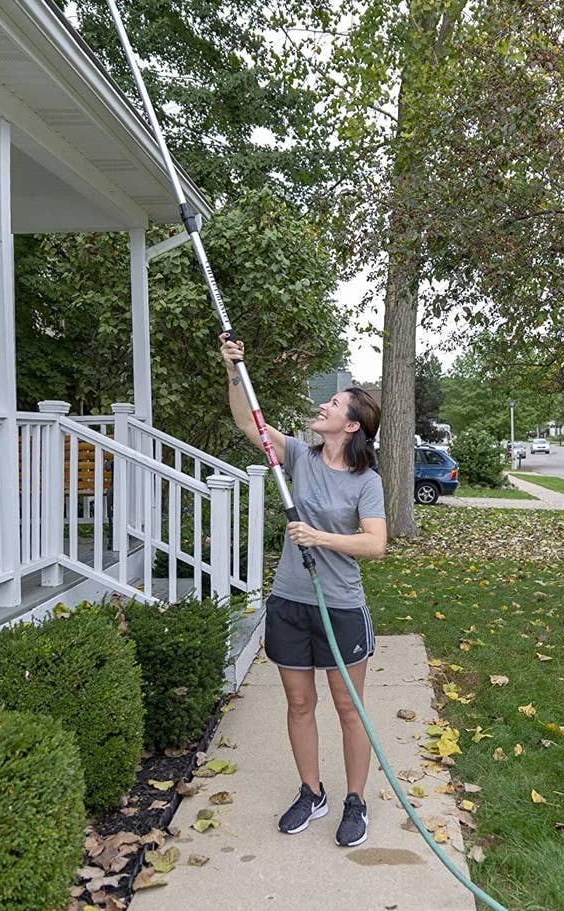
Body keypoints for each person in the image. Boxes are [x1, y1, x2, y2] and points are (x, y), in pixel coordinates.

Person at [220, 333, 386, 848]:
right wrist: (232, 371)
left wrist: (318, 537)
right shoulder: (298, 455)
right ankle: (311, 792)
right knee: (297, 703)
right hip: (290, 600)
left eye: (334, 403)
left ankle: (354, 801)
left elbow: (376, 544)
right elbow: (250, 423)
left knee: (347, 707)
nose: (324, 405)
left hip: (339, 606)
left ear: (352, 424)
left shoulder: (365, 480)